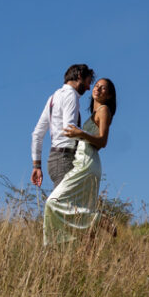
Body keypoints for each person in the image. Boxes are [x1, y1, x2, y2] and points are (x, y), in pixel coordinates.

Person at [43, 78, 117, 246]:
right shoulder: (93, 113)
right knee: (78, 208)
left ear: (110, 95)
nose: (98, 89)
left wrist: (80, 133)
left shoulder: (104, 110)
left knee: (52, 202)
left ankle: (97, 219)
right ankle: (85, 254)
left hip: (87, 163)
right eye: (97, 85)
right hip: (83, 161)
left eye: (103, 88)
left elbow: (102, 141)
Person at [31, 64, 94, 190]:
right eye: (88, 82)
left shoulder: (53, 98)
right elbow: (69, 128)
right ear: (79, 76)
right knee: (65, 207)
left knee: (65, 206)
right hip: (65, 158)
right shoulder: (71, 95)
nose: (88, 88)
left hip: (55, 159)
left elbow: (37, 134)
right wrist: (92, 138)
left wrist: (36, 165)